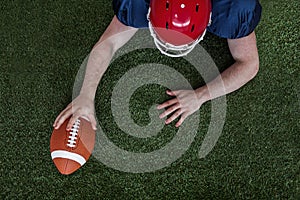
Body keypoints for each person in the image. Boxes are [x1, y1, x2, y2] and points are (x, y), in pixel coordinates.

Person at [53, 0, 262, 130]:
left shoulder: (235, 8)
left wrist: (201, 96)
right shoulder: (137, 4)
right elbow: (108, 44)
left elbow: (249, 63)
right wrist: (86, 94)